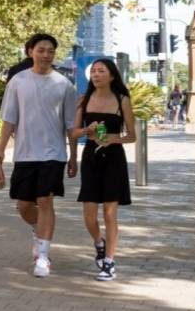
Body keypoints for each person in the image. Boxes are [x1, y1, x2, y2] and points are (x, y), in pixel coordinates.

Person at [0, 33, 78, 278]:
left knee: (46, 201)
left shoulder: (64, 85)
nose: (46, 54)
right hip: (25, 154)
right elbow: (9, 120)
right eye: (41, 50)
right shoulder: (17, 82)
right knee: (24, 207)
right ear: (31, 51)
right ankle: (38, 229)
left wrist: (73, 158)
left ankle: (42, 256)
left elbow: (71, 126)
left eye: (50, 50)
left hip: (54, 154)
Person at [72, 59, 136, 281]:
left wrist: (112, 139)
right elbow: (73, 133)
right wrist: (85, 130)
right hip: (91, 158)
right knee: (89, 214)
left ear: (111, 76)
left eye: (101, 71)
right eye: (94, 72)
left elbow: (132, 135)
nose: (96, 75)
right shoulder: (84, 100)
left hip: (114, 159)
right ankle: (99, 243)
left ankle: (109, 262)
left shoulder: (122, 100)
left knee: (110, 212)